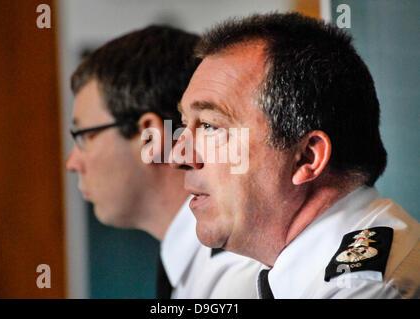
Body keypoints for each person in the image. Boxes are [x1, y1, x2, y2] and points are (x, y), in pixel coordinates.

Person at [170, 13, 419, 298]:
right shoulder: (303, 277)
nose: (178, 155)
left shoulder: (366, 290)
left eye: (210, 126)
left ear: (306, 158)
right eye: (183, 124)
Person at [65, 25, 261, 298]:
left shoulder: (236, 278)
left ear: (150, 137)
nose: (72, 162)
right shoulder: (202, 267)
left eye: (84, 136)